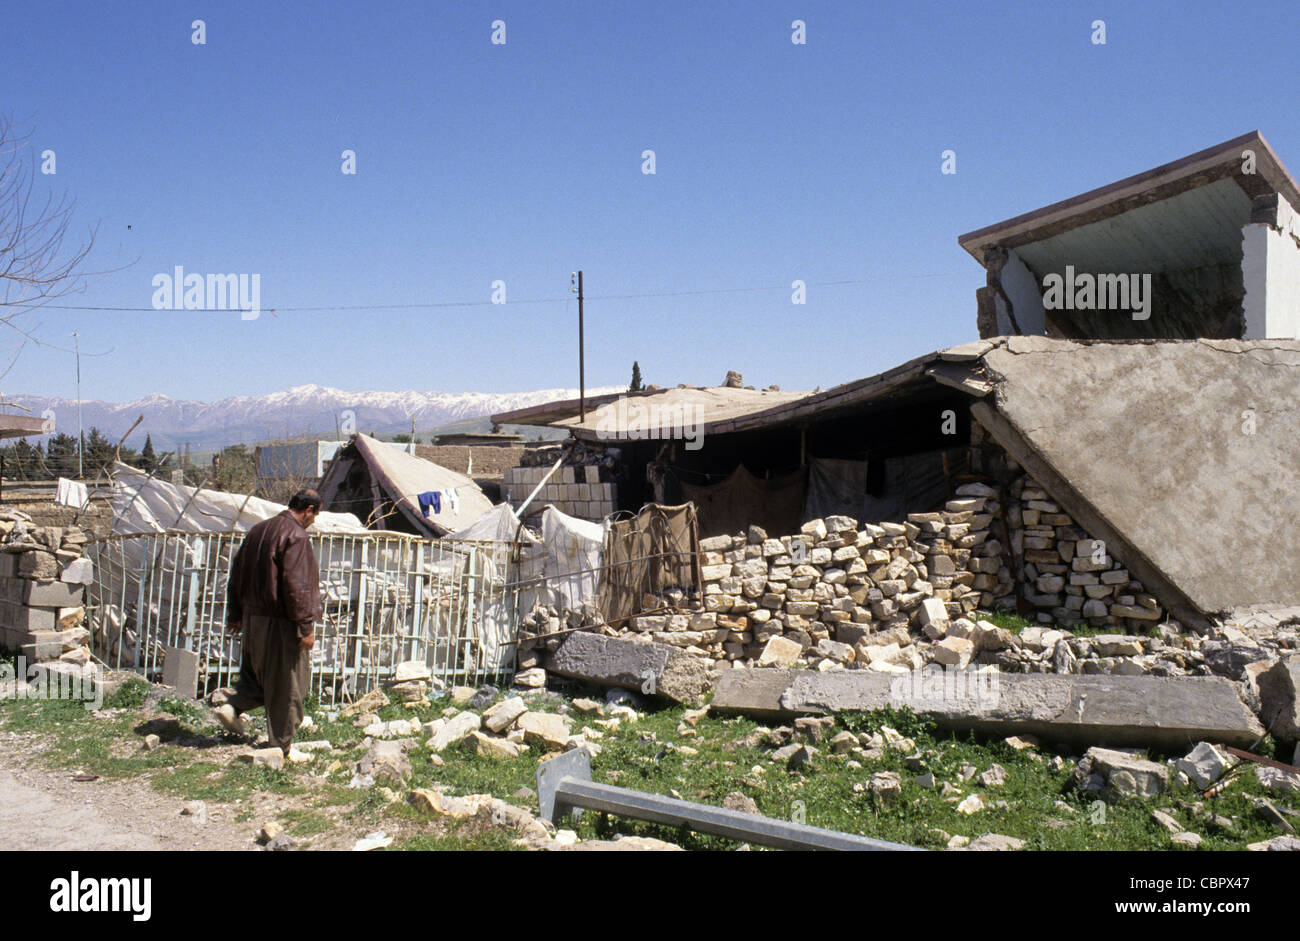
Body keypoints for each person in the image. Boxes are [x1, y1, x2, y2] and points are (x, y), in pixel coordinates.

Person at [213, 489, 323, 756]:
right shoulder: (295, 535)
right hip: (279, 622)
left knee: (257, 678)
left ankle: (232, 707)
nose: (314, 521)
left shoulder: (257, 531)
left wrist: (236, 615)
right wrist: (305, 627)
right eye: (315, 515)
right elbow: (297, 586)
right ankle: (281, 748)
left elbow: (236, 576)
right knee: (287, 684)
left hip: (253, 620)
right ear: (308, 509)